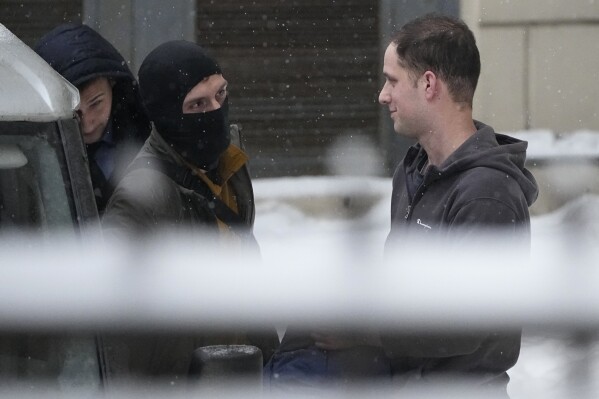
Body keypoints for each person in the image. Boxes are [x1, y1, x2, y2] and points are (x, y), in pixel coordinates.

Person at [267, 13, 539, 397]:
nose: (382, 94)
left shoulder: (486, 192)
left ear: (429, 84)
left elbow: (467, 326)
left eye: (392, 80)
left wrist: (365, 332)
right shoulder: (413, 170)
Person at [100, 40, 279, 383]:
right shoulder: (142, 195)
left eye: (220, 95)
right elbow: (114, 328)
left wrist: (269, 359)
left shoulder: (229, 164)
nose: (215, 111)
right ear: (167, 115)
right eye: (197, 104)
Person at [34, 23, 151, 213]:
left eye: (96, 103)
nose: (87, 124)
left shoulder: (148, 133)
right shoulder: (34, 151)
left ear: (113, 82)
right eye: (73, 112)